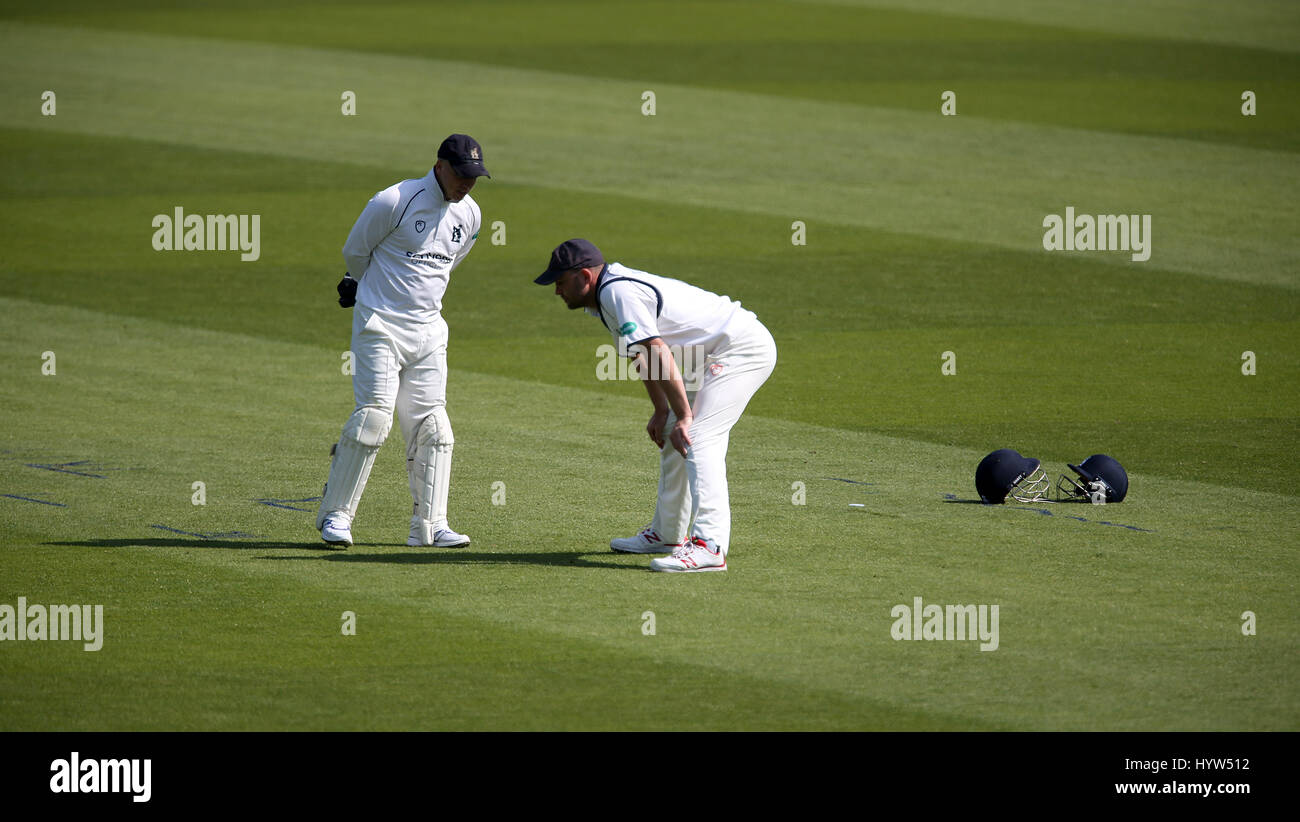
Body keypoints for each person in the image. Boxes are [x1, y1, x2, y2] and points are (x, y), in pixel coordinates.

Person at [536, 239, 777, 572]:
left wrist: (685, 415)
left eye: (561, 282)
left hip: (740, 349)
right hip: (707, 355)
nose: (557, 291)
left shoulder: (616, 293)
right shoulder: (606, 298)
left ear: (585, 277)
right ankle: (668, 534)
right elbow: (641, 353)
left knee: (699, 435)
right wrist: (663, 410)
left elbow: (657, 349)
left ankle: (710, 546)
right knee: (673, 430)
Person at [315, 134, 489, 548]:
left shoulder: (472, 215)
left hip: (429, 331)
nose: (468, 184)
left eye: (475, 177)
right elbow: (356, 251)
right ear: (440, 166)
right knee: (374, 417)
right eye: (462, 174)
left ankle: (430, 527)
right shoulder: (393, 200)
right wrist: (363, 285)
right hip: (379, 324)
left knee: (434, 426)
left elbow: (449, 264)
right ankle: (335, 517)